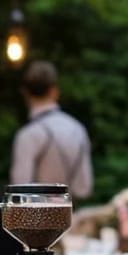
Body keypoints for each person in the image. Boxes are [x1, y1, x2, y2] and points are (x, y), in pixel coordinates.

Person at [10, 60, 94, 198]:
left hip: (38, 217)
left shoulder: (28, 135)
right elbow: (84, 188)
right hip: (72, 215)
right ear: (54, 91)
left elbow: (20, 191)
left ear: (25, 93)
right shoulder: (78, 129)